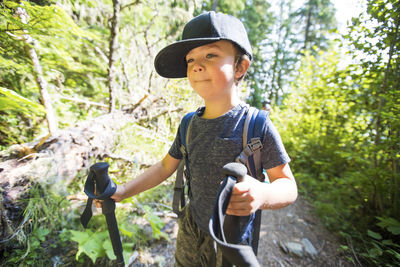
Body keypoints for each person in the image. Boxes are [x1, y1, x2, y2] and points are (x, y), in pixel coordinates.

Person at [111, 11, 297, 266]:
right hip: (191, 228)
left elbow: (287, 185)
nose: (197, 65)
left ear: (240, 66)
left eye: (210, 55)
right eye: (190, 60)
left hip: (232, 235)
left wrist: (262, 194)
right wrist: (123, 191)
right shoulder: (188, 124)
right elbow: (166, 166)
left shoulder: (257, 125)